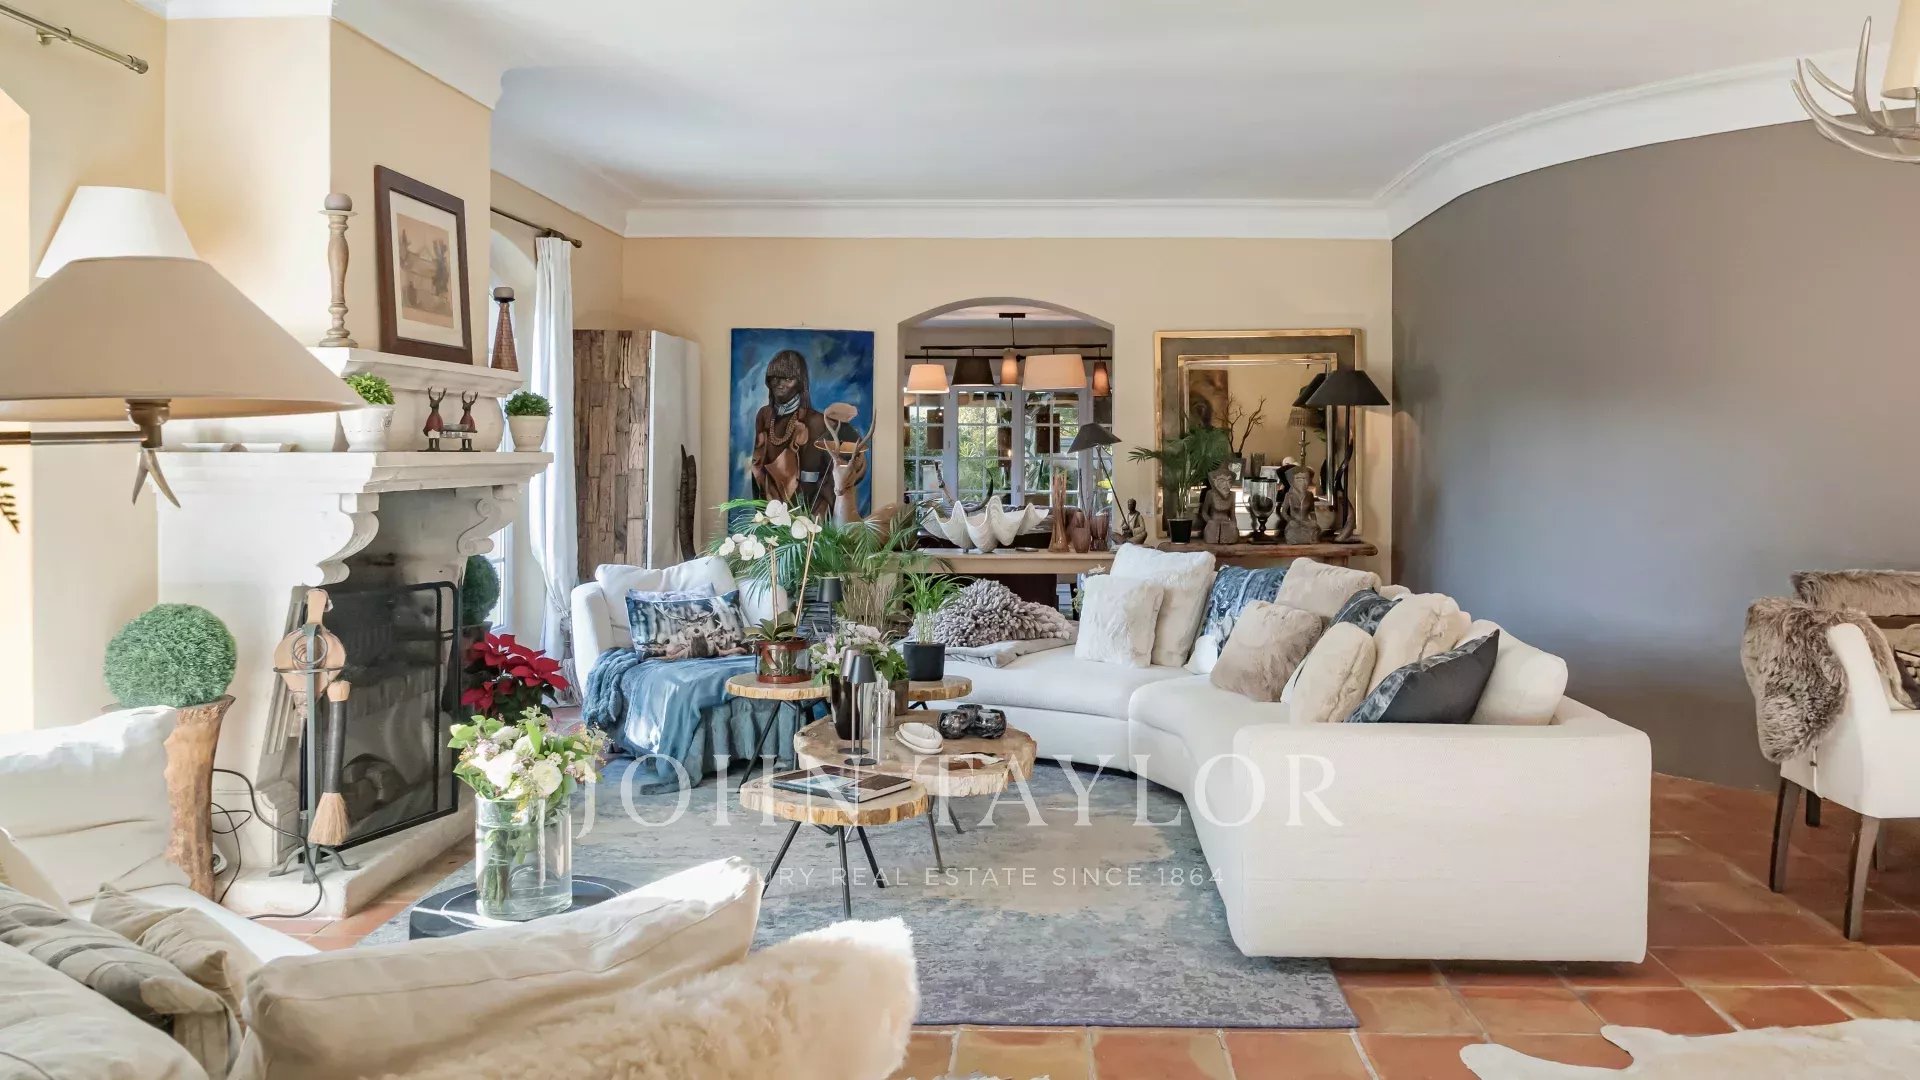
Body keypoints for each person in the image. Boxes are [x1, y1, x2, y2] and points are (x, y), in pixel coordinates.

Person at [749, 349, 835, 517]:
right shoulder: (764, 415)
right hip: (770, 505)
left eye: (788, 379)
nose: (780, 384)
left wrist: (816, 514)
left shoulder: (817, 421)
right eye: (775, 378)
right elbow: (758, 464)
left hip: (807, 509)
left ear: (800, 383)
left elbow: (829, 474)